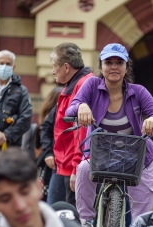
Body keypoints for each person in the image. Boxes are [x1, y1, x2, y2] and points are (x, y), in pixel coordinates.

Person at [67, 43, 153, 223]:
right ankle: (85, 222)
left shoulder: (138, 91)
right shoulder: (91, 85)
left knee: (146, 216)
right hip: (100, 154)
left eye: (119, 62)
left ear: (126, 67)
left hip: (138, 156)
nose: (114, 66)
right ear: (101, 66)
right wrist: (82, 105)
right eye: (108, 62)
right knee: (83, 168)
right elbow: (70, 109)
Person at [49, 43, 94, 207]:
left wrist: (76, 168)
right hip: (68, 163)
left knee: (73, 216)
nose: (53, 71)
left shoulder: (82, 84)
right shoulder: (76, 83)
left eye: (55, 66)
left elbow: (82, 132)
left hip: (74, 164)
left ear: (66, 67)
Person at [0, 50, 32, 155]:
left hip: (10, 147)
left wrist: (5, 136)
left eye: (8, 64)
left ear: (13, 67)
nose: (4, 67)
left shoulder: (21, 91)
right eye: (1, 63)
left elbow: (26, 118)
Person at [38, 86, 66, 204]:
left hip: (58, 161)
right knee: (53, 202)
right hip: (58, 162)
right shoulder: (62, 104)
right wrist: (48, 152)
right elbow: (45, 129)